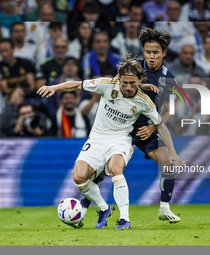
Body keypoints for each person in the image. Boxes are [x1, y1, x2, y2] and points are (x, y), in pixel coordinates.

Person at [37, 54, 183, 229]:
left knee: (115, 169)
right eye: (124, 83)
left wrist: (173, 152)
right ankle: (104, 208)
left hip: (121, 139)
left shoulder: (144, 101)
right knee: (79, 177)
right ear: (118, 79)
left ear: (140, 81)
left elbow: (161, 125)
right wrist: (54, 87)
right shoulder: (106, 85)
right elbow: (77, 84)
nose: (128, 87)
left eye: (133, 83)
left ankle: (124, 219)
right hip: (97, 138)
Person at [81, 28, 184, 224]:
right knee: (101, 171)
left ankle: (164, 208)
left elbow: (169, 111)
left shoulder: (169, 78)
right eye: (147, 52)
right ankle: (83, 210)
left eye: (155, 52)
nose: (151, 56)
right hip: (122, 128)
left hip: (147, 130)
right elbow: (115, 86)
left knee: (168, 163)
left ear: (163, 53)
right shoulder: (133, 68)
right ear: (143, 51)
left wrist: (153, 128)